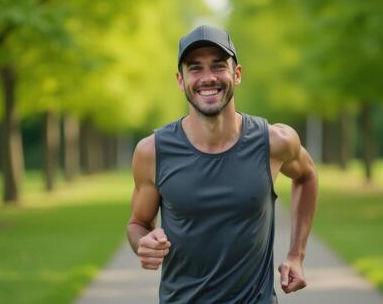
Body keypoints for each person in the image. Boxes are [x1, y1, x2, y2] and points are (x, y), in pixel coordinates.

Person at [127, 25, 318, 303]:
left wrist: (296, 255)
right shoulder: (152, 152)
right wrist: (142, 244)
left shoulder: (275, 142)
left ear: (236, 74)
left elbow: (307, 176)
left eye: (218, 66)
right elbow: (137, 223)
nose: (208, 78)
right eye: (195, 68)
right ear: (180, 79)